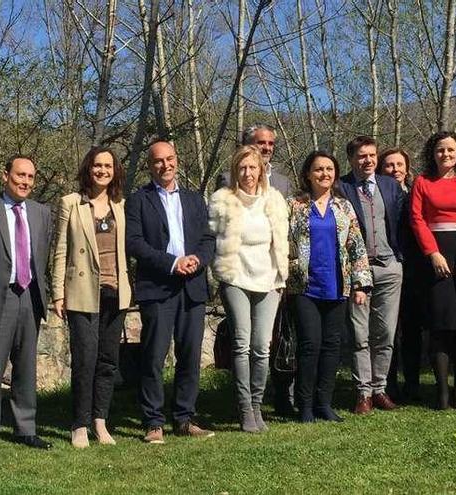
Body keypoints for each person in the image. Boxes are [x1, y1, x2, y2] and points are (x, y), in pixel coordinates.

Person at [126, 139, 216, 444]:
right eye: (158, 161)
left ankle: (184, 417)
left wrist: (197, 259)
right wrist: (172, 262)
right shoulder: (139, 200)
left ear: (177, 160)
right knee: (154, 356)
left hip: (192, 286)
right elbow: (135, 243)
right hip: (159, 287)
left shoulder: (194, 199)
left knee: (190, 355)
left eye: (170, 159)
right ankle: (153, 421)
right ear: (150, 166)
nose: (165, 165)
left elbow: (207, 239)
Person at [0, 155, 54, 455]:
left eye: (31, 177)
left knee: (26, 368)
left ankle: (26, 429)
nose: (25, 182)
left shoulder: (42, 213)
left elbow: (43, 255)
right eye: (20, 175)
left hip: (30, 296)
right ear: (5, 174)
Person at [51, 147, 132, 448]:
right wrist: (58, 292)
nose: (102, 171)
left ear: (115, 171)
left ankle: (101, 420)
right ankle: (80, 423)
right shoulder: (71, 203)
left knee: (108, 361)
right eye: (97, 165)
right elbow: (60, 250)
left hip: (116, 292)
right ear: (88, 168)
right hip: (83, 292)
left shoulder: (122, 205)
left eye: (108, 166)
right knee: (85, 359)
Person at [208, 145, 288, 432]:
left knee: (262, 347)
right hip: (236, 278)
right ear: (234, 171)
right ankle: (244, 409)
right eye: (242, 168)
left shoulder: (275, 201)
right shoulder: (222, 201)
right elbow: (211, 239)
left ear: (261, 170)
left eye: (252, 167)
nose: (248, 173)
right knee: (241, 345)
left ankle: (257, 405)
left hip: (268, 279)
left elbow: (281, 239)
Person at [287, 150, 372, 423]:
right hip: (304, 288)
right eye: (318, 169)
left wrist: (361, 284)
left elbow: (356, 246)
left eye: (329, 169)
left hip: (337, 287)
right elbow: (282, 244)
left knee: (332, 346)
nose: (324, 174)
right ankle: (306, 405)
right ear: (308, 174)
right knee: (310, 345)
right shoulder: (294, 206)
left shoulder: (344, 207)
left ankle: (324, 403)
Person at [411, 131, 456, 410]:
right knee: (440, 326)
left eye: (451, 150)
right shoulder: (422, 182)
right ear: (433, 153)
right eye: (440, 150)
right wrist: (432, 254)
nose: (446, 155)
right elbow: (417, 220)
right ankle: (442, 392)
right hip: (436, 257)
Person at [339, 137, 404, 414]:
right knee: (359, 334)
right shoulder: (341, 187)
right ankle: (363, 392)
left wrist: (401, 259)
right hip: (358, 271)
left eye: (372, 155)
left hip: (389, 266)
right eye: (362, 156)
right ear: (352, 159)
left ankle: (380, 388)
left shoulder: (390, 186)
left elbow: (402, 222)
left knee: (386, 332)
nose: (368, 161)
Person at [378, 148, 423, 400]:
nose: (395, 170)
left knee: (412, 329)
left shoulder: (415, 193)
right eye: (389, 165)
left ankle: (413, 383)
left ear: (407, 168)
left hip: (415, 271)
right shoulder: (378, 196)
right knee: (388, 330)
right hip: (389, 268)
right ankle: (388, 382)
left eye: (399, 164)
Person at [217, 124, 292, 197]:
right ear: (247, 145)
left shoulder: (283, 183)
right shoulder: (229, 181)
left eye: (271, 144)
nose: (267, 148)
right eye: (261, 143)